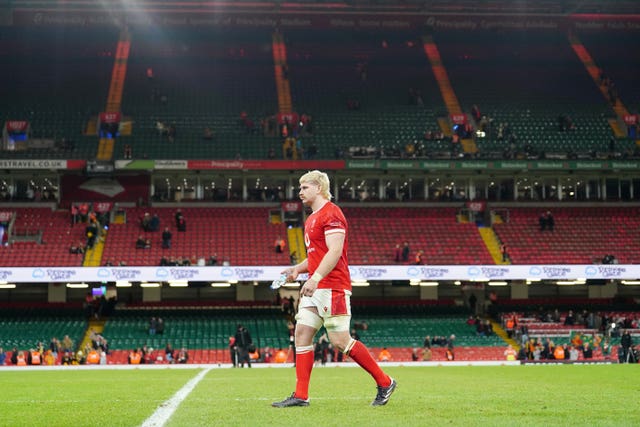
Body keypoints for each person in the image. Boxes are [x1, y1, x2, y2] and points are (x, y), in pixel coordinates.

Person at [272, 170, 396, 408]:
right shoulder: (311, 218)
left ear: (318, 188)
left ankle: (385, 381)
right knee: (302, 333)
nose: (300, 192)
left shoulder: (332, 213)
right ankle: (301, 395)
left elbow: (335, 250)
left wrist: (315, 278)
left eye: (304, 187)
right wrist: (298, 269)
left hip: (333, 286)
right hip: (317, 286)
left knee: (340, 341)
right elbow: (317, 255)